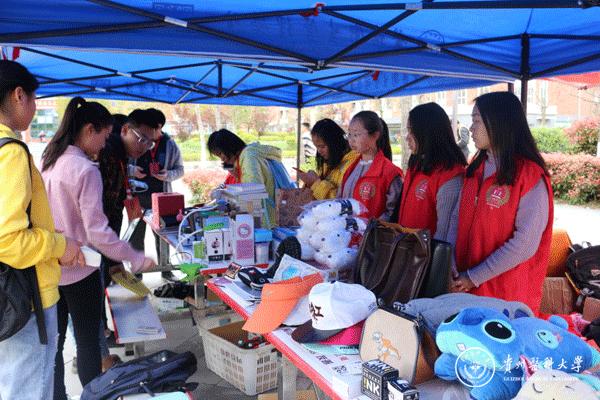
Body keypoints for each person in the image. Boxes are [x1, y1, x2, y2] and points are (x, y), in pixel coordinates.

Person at [41, 98, 156, 400]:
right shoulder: (85, 169)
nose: (105, 144)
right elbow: (97, 232)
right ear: (89, 130)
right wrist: (134, 257)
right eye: (104, 136)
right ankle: (94, 396)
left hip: (50, 267)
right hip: (81, 269)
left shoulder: (48, 160)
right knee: (88, 342)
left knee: (54, 345)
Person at [0, 60, 84, 400]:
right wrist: (60, 245)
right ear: (19, 95)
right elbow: (7, 239)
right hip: (24, 300)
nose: (34, 108)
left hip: (10, 297)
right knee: (29, 391)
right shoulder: (10, 152)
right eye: (34, 99)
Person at [449, 91, 553, 315]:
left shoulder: (529, 175)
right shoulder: (474, 170)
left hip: (506, 300)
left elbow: (524, 244)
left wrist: (474, 277)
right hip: (465, 292)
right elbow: (456, 219)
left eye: (477, 120)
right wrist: (450, 261)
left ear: (499, 122)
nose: (471, 128)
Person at [397, 103, 466, 241]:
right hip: (406, 248)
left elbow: (444, 236)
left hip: (426, 252)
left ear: (428, 132)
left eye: (411, 131)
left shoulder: (450, 175)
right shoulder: (417, 164)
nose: (407, 137)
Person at [129, 108, 184, 279]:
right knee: (136, 235)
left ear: (159, 127)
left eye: (152, 129)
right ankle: (137, 272)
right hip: (136, 197)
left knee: (163, 235)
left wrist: (167, 174)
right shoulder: (137, 140)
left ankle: (166, 270)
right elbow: (123, 164)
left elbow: (180, 170)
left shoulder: (170, 145)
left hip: (161, 198)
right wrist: (132, 170)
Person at [208, 129, 294, 227]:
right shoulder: (248, 155)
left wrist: (231, 207)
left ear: (228, 146)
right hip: (269, 218)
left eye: (220, 154)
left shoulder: (249, 157)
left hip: (267, 223)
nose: (222, 159)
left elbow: (252, 196)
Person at [338, 111, 403, 221]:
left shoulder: (390, 172)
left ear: (375, 135)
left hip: (374, 232)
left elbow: (393, 213)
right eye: (349, 134)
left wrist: (371, 227)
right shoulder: (350, 168)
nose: (351, 140)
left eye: (356, 134)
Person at [295, 118, 358, 200]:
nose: (319, 151)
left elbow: (341, 200)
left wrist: (315, 183)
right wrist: (310, 182)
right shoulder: (328, 161)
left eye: (322, 146)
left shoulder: (353, 164)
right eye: (317, 147)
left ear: (335, 143)